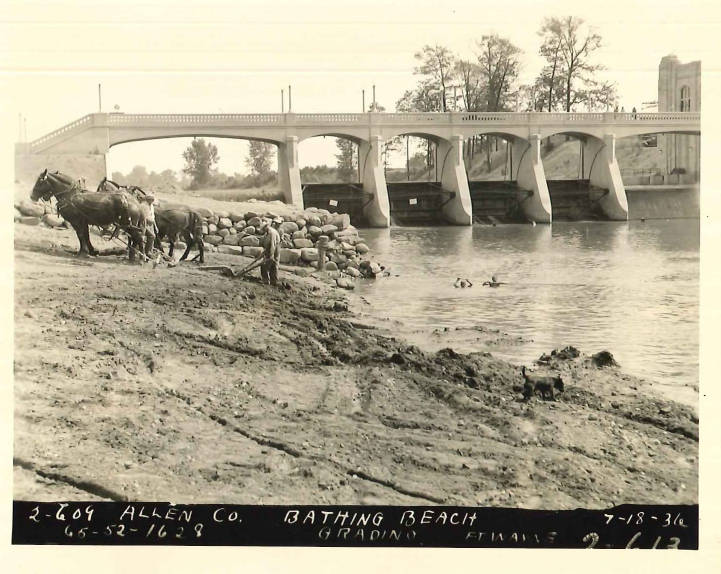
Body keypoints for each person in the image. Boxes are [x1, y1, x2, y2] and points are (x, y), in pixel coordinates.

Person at [255, 217, 282, 285]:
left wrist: (271, 256)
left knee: (265, 265)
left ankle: (266, 280)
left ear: (265, 227)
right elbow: (268, 245)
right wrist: (262, 255)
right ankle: (273, 281)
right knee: (273, 265)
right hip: (271, 249)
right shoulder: (268, 232)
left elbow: (273, 245)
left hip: (274, 249)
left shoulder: (271, 233)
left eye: (263, 229)